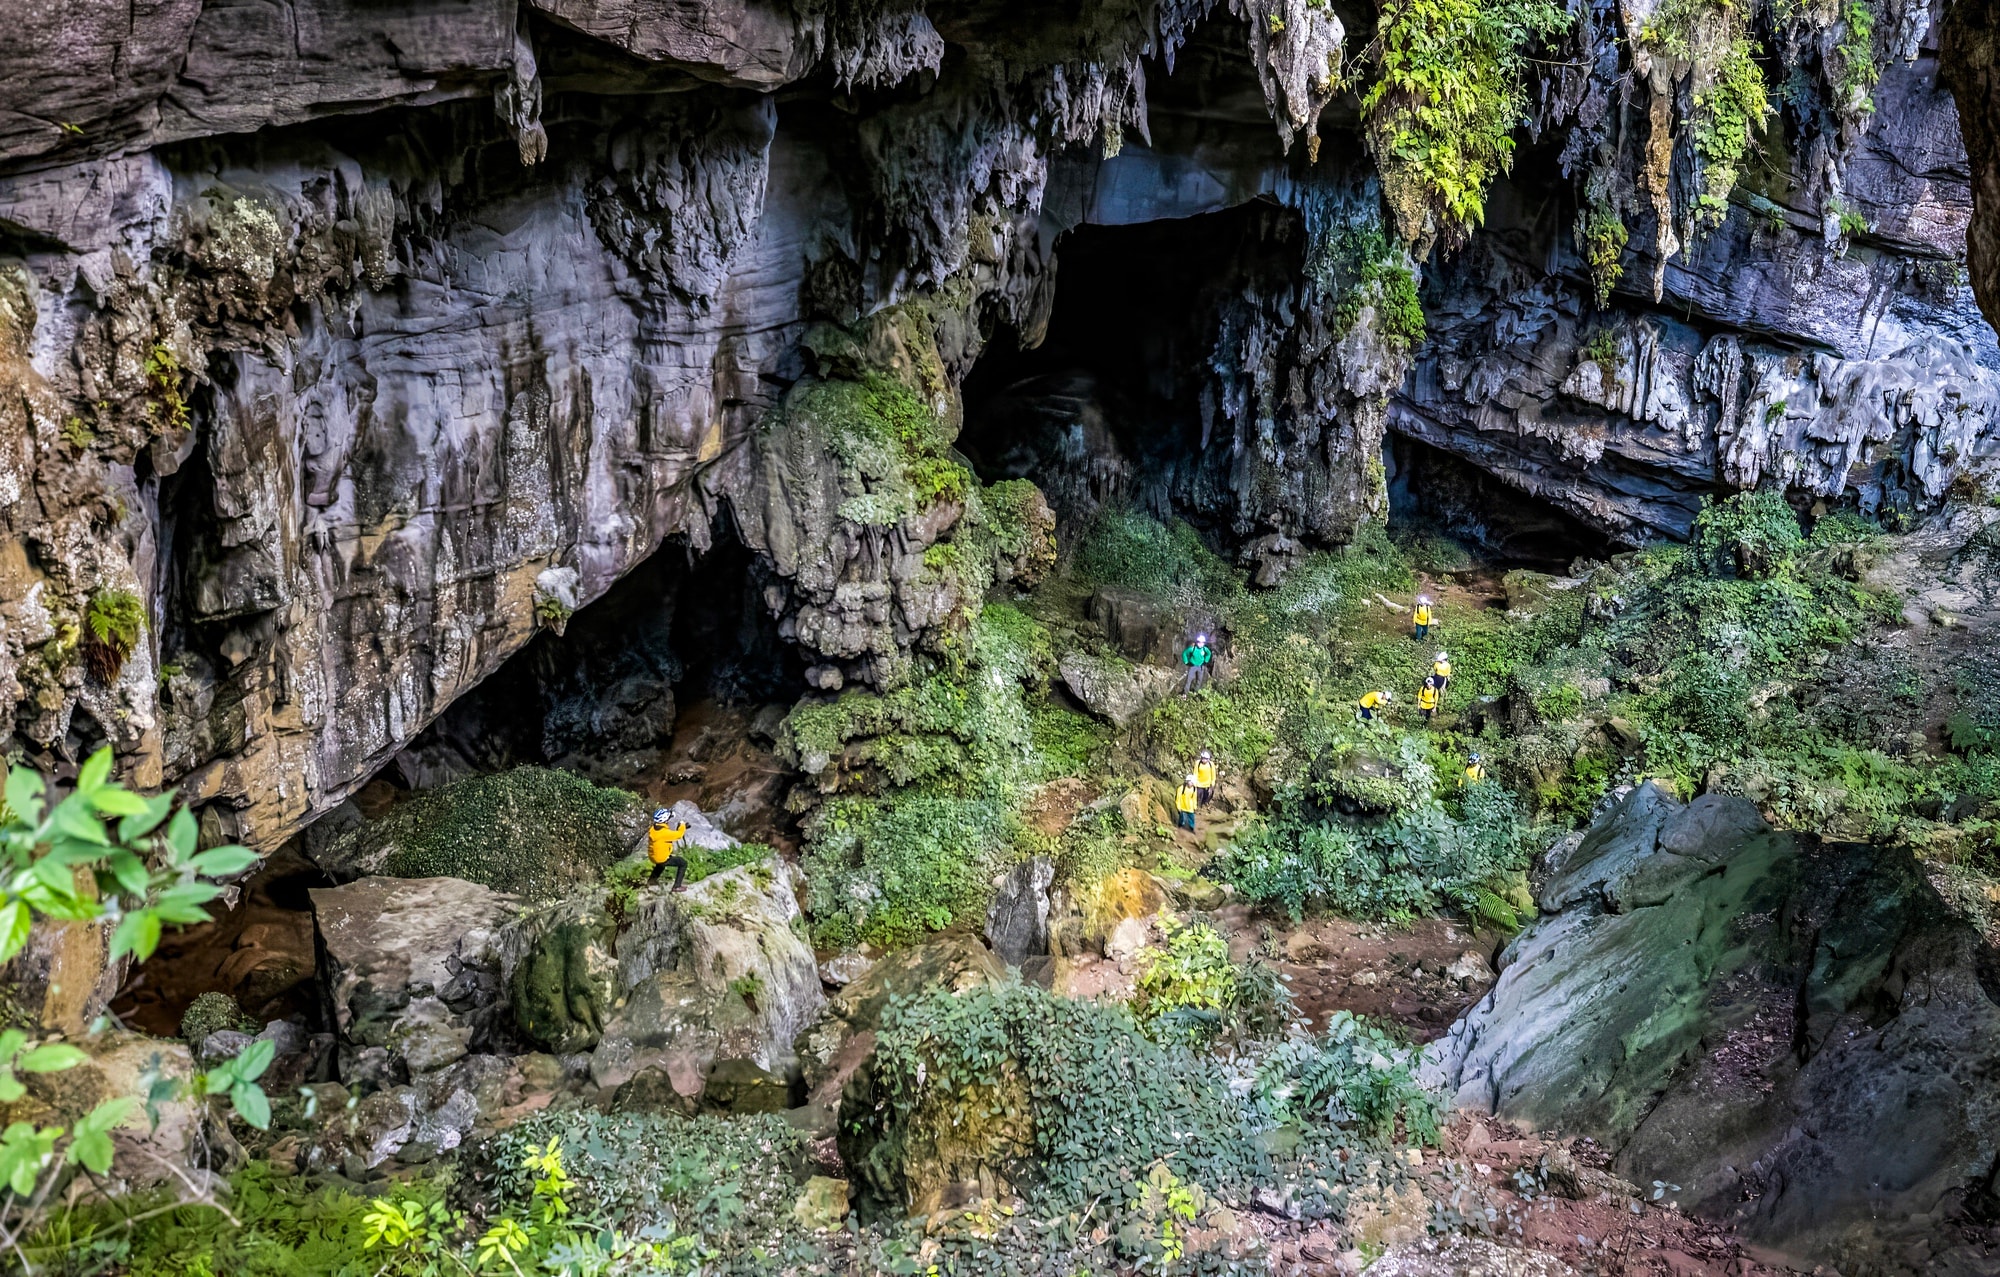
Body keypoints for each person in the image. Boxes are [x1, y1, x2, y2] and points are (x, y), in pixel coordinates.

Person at [647, 807, 691, 891]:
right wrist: (682, 825)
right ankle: (677, 886)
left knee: (660, 866)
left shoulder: (653, 829)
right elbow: (678, 835)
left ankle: (651, 881)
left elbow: (667, 836)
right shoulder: (664, 833)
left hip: (653, 857)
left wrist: (682, 828)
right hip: (662, 858)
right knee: (682, 863)